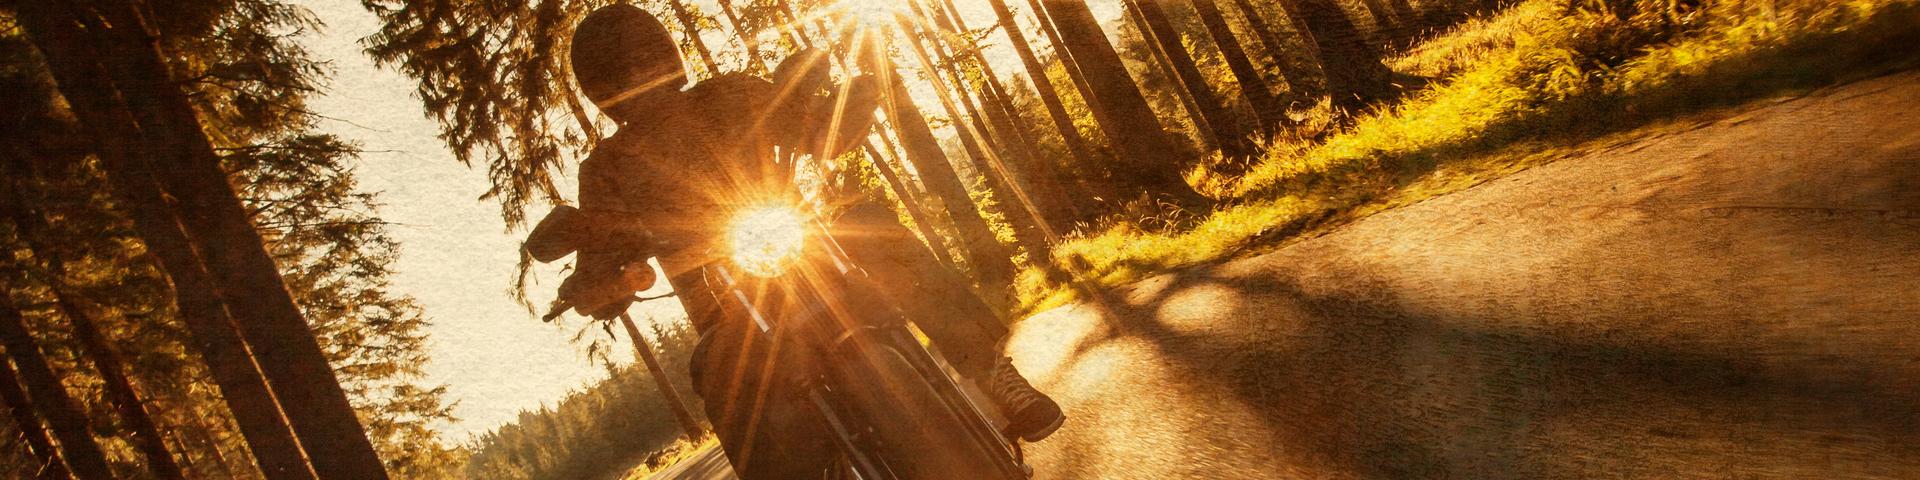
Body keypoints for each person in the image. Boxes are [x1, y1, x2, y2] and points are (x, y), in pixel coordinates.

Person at [529, 4, 1063, 447]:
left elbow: (816, 132)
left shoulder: (732, 92)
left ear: (665, 53)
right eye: (621, 69)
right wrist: (611, 284)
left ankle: (991, 372)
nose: (637, 73)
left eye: (643, 57)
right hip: (723, 306)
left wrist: (860, 97)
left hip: (806, 245)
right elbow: (596, 255)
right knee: (718, 373)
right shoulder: (605, 168)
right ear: (600, 87)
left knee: (871, 227)